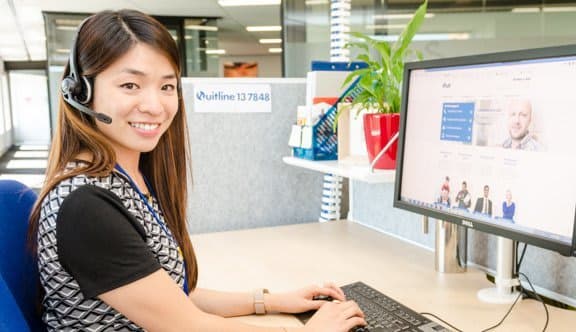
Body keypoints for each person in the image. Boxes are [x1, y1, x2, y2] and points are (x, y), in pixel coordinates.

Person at [27, 10, 365, 332]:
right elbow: (184, 325)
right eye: (130, 85)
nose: (155, 105)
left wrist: (271, 300)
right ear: (82, 92)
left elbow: (172, 296)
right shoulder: (86, 205)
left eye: (167, 86)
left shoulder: (129, 178)